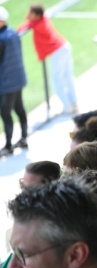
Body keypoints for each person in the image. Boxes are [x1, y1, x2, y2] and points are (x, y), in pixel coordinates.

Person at [18, 3, 78, 114]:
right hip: (64, 47)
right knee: (67, 77)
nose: (29, 14)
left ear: (36, 14)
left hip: (57, 52)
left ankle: (67, 106)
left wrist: (29, 18)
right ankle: (73, 103)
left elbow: (22, 27)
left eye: (31, 12)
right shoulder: (42, 19)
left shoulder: (36, 24)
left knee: (56, 81)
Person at [0, 6, 29, 157]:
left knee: (6, 114)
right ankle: (24, 138)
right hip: (18, 79)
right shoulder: (13, 32)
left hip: (6, 83)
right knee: (19, 109)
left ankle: (8, 145)